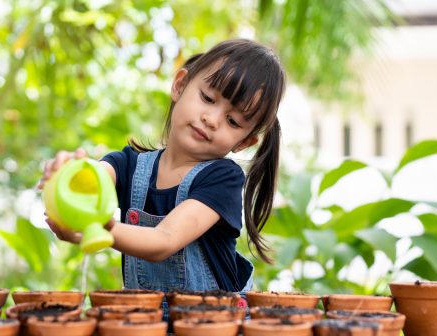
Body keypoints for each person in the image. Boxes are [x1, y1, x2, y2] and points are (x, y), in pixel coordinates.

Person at [40, 39, 286, 298]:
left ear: (244, 142)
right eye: (207, 98)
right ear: (180, 85)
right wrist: (69, 173)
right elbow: (95, 176)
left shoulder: (222, 179)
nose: (211, 120)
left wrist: (100, 229)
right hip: (147, 321)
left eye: (233, 121)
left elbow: (164, 240)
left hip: (213, 325)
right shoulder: (129, 165)